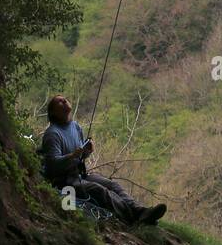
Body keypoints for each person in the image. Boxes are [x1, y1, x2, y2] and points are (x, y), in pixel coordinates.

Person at [40, 95, 167, 225]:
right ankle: (134, 218)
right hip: (64, 182)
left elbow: (80, 158)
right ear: (53, 113)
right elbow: (52, 165)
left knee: (113, 185)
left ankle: (139, 210)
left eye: (64, 99)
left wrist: (87, 151)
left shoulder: (75, 127)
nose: (64, 101)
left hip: (79, 175)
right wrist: (71, 156)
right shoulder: (52, 134)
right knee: (99, 190)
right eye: (59, 102)